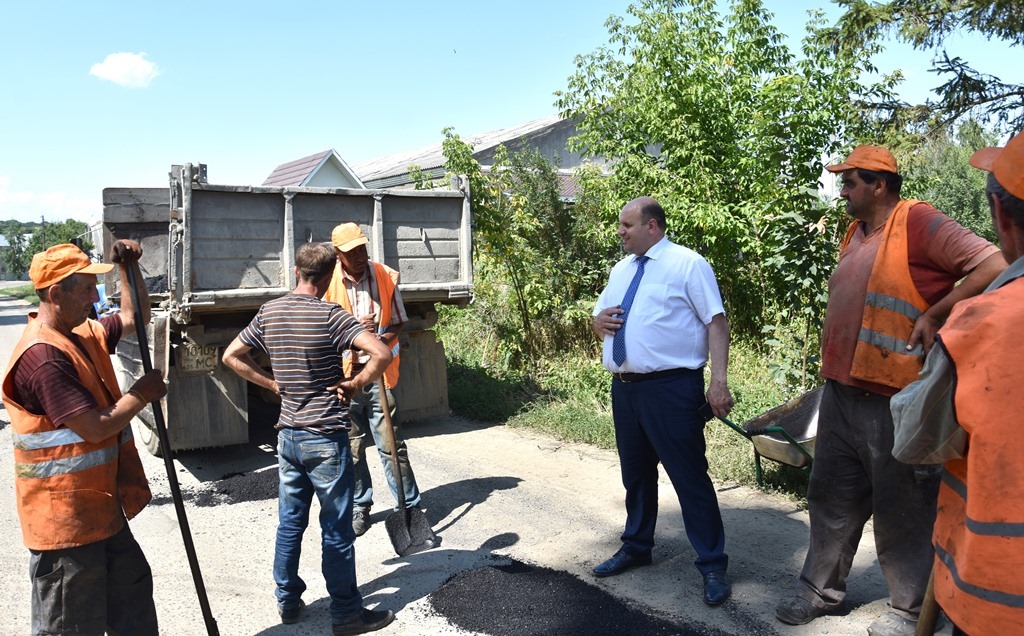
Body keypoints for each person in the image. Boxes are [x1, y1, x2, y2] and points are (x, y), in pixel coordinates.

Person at [774, 145, 1007, 636]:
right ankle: (820, 591)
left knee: (903, 506)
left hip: (894, 397)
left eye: (851, 181)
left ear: (879, 184)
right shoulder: (856, 230)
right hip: (841, 390)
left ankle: (908, 609)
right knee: (831, 496)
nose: (843, 189)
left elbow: (990, 262)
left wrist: (936, 313)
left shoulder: (918, 222)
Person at [222, 242, 396, 636]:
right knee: (335, 529)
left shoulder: (270, 312)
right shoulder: (332, 316)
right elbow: (381, 354)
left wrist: (271, 383)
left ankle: (288, 601)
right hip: (326, 438)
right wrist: (354, 384)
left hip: (289, 438)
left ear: (296, 271)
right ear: (331, 275)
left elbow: (231, 355)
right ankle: (347, 615)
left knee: (289, 523)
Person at [891, 130, 1024, 636]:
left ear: (1001, 215)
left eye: (853, 181)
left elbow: (914, 441)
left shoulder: (981, 325)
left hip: (999, 600)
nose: (844, 191)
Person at [1, 241, 167, 635]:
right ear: (55, 293)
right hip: (65, 527)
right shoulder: (42, 356)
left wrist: (128, 268)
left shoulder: (83, 332)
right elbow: (94, 427)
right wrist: (141, 393)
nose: (95, 298)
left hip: (102, 511)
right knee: (71, 626)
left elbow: (134, 315)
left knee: (134, 608)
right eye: (86, 289)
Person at [591, 196, 736, 607]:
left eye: (627, 225)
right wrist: (596, 322)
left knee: (689, 477)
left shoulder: (688, 264)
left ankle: (712, 564)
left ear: (652, 226)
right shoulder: (622, 269)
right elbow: (602, 317)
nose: (620, 231)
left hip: (672, 389)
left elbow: (717, 322)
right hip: (626, 389)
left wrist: (718, 383)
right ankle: (637, 546)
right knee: (636, 476)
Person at [322, 222, 424, 537]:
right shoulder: (325, 283)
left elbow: (397, 323)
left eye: (362, 248)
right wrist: (353, 330)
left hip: (379, 374)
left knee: (393, 446)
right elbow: (318, 333)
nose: (360, 255)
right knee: (351, 448)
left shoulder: (382, 275)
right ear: (338, 254)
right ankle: (359, 507)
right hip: (344, 376)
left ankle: (410, 507)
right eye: (352, 251)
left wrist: (376, 338)